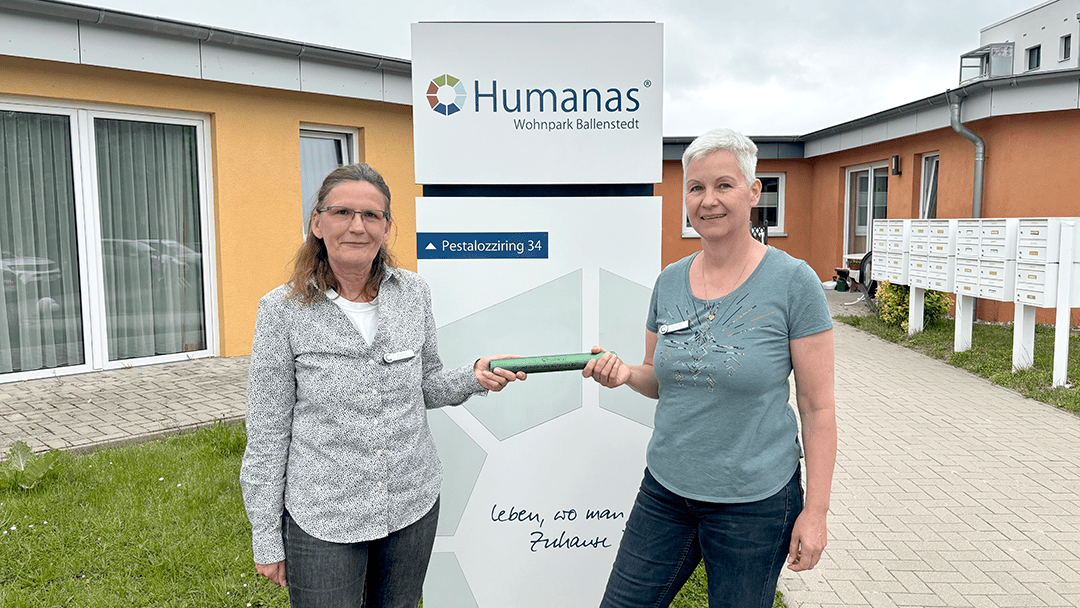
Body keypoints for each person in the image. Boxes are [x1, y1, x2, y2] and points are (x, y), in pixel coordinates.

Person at [240, 162, 525, 608]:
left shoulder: (413, 294)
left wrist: (474, 376)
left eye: (371, 216)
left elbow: (425, 385)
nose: (357, 226)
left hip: (411, 505)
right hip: (325, 519)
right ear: (317, 223)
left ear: (388, 228)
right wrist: (266, 535)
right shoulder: (282, 311)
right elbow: (267, 431)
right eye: (342, 212)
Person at [583, 128, 836, 608]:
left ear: (754, 191)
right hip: (667, 491)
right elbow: (660, 379)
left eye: (724, 185)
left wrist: (816, 512)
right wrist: (624, 374)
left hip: (755, 502)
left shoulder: (793, 282)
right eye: (696, 188)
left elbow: (818, 406)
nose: (708, 200)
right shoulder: (670, 281)